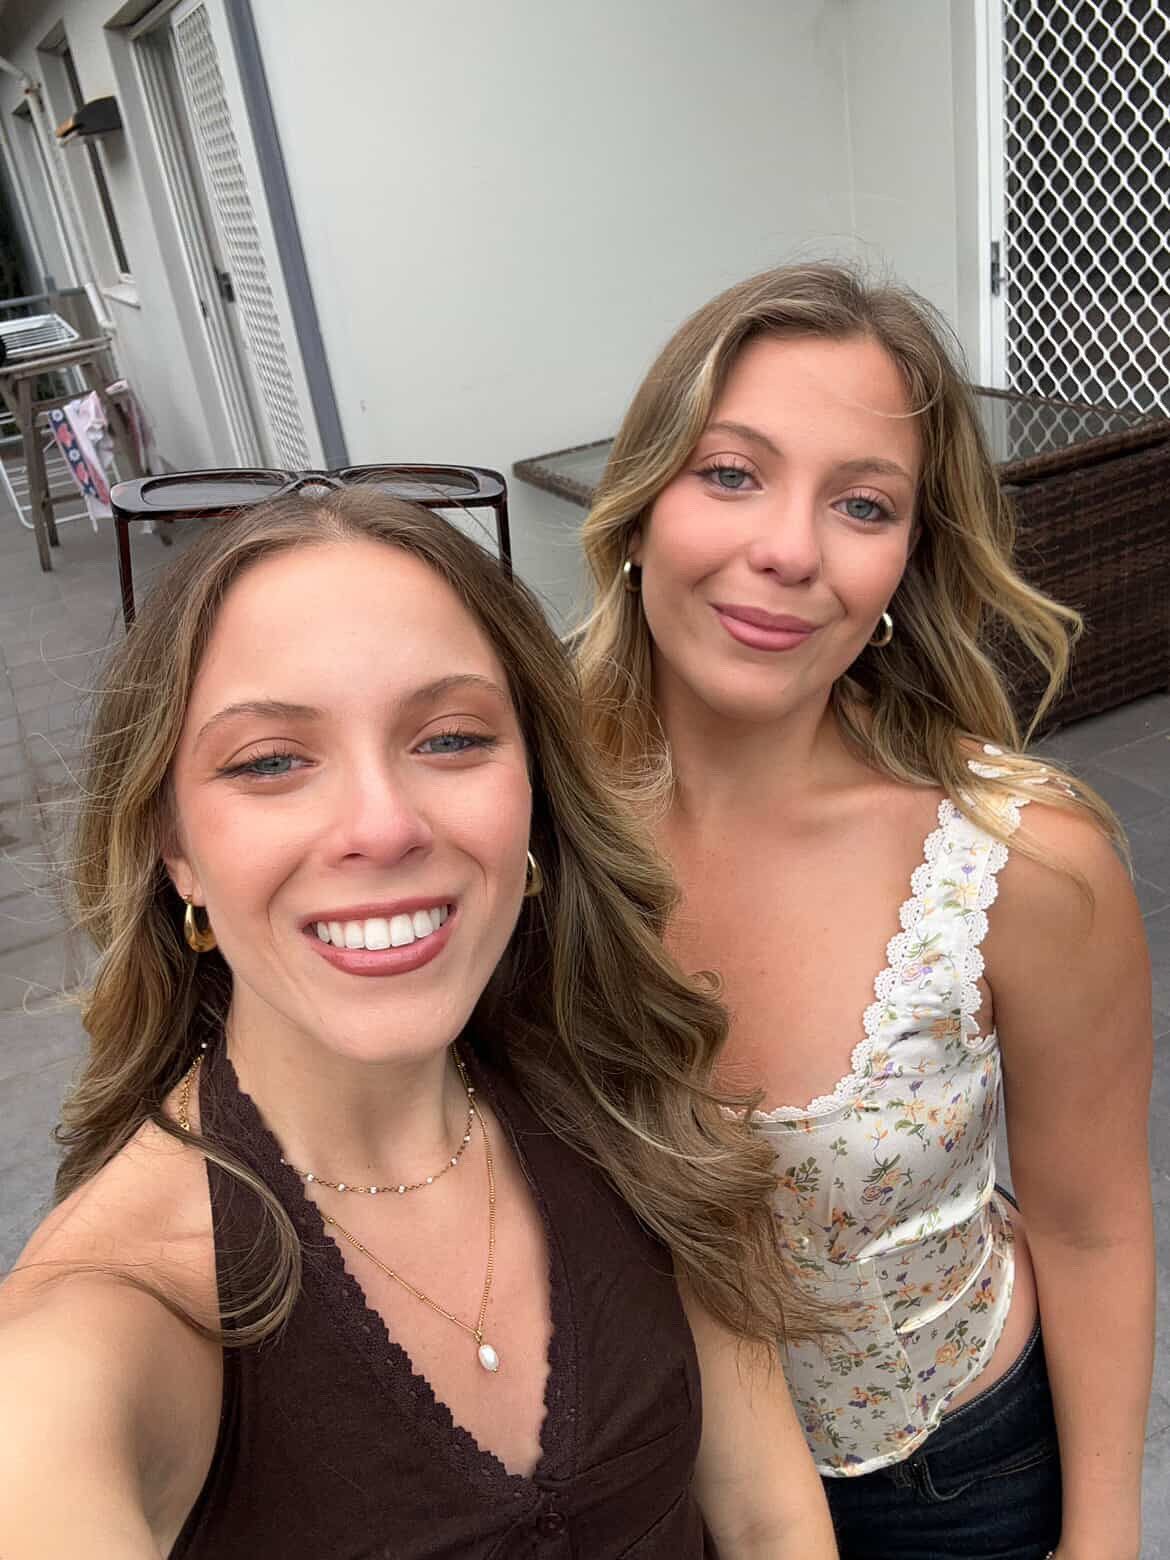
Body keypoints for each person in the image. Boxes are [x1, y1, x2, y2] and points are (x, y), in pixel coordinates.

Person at [0, 488, 838, 1558]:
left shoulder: (623, 1100)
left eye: (450, 739)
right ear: (176, 850)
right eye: (270, 761)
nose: (384, 825)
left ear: (534, 792)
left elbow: (769, 1519)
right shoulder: (119, 1305)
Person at [576, 263, 1154, 1560]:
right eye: (731, 473)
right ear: (640, 507)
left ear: (907, 559)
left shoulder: (1022, 862)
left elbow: (1091, 1222)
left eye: (862, 503)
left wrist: (1101, 1538)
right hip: (639, 1492)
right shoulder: (518, 828)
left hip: (952, 1489)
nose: (789, 548)